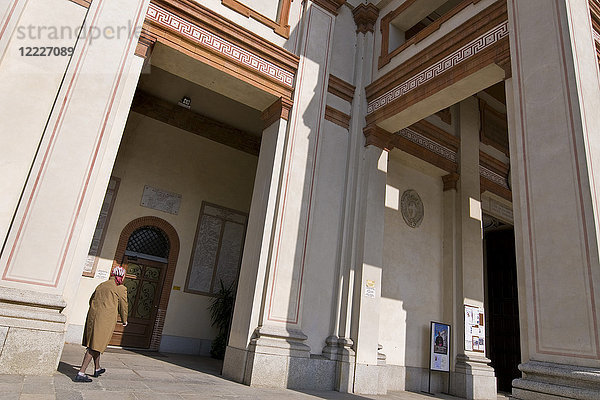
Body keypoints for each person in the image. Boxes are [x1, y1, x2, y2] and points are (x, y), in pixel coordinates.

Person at [76, 266, 128, 382]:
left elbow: (91, 300)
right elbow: (123, 306)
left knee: (97, 343)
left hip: (93, 317)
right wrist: (124, 320)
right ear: (122, 276)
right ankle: (81, 373)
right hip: (105, 320)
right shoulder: (120, 288)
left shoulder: (102, 285)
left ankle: (97, 368)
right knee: (94, 346)